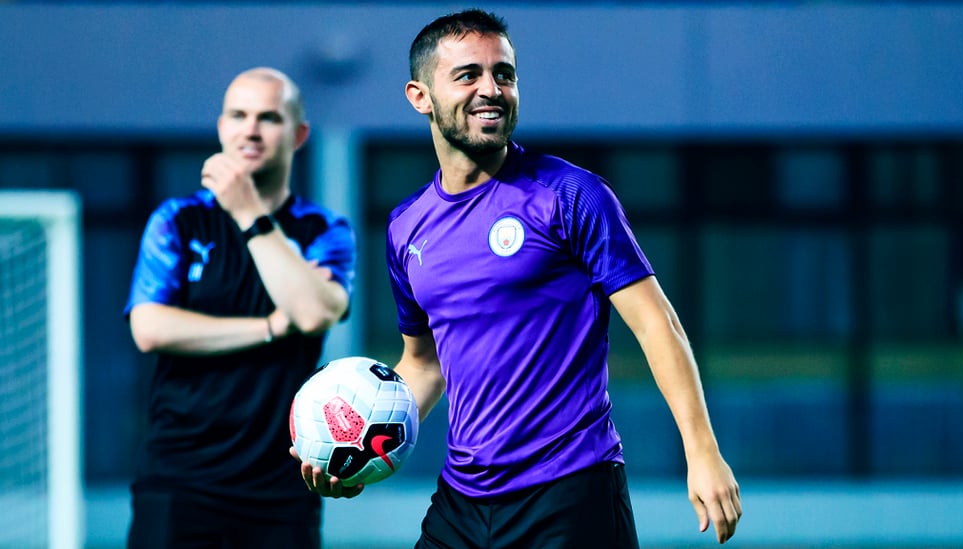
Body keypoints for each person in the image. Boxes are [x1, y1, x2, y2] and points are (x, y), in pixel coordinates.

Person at [298, 9, 742, 547]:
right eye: (468, 75)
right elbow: (423, 365)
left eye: (503, 74)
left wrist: (702, 454)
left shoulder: (571, 195)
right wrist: (360, 446)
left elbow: (657, 325)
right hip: (461, 503)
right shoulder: (405, 229)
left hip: (570, 494)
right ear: (420, 97)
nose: (492, 89)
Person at [124, 67, 355, 549]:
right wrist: (271, 325)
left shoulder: (324, 230)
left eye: (268, 117)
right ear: (222, 128)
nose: (250, 129)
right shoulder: (178, 221)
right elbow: (149, 327)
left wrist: (249, 213)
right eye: (238, 115)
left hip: (281, 490)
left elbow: (314, 313)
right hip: (178, 479)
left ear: (298, 135)